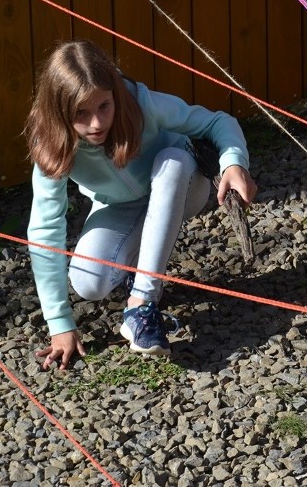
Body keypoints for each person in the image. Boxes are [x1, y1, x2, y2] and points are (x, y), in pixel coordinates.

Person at [24, 40, 258, 369]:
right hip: (120, 206)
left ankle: (141, 304)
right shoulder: (50, 144)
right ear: (60, 112)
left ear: (115, 95)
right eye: (81, 112)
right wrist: (60, 323)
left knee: (173, 161)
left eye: (104, 106)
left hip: (181, 185)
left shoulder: (140, 103)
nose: (96, 123)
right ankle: (143, 267)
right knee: (90, 283)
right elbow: (45, 230)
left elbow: (217, 121)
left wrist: (234, 163)